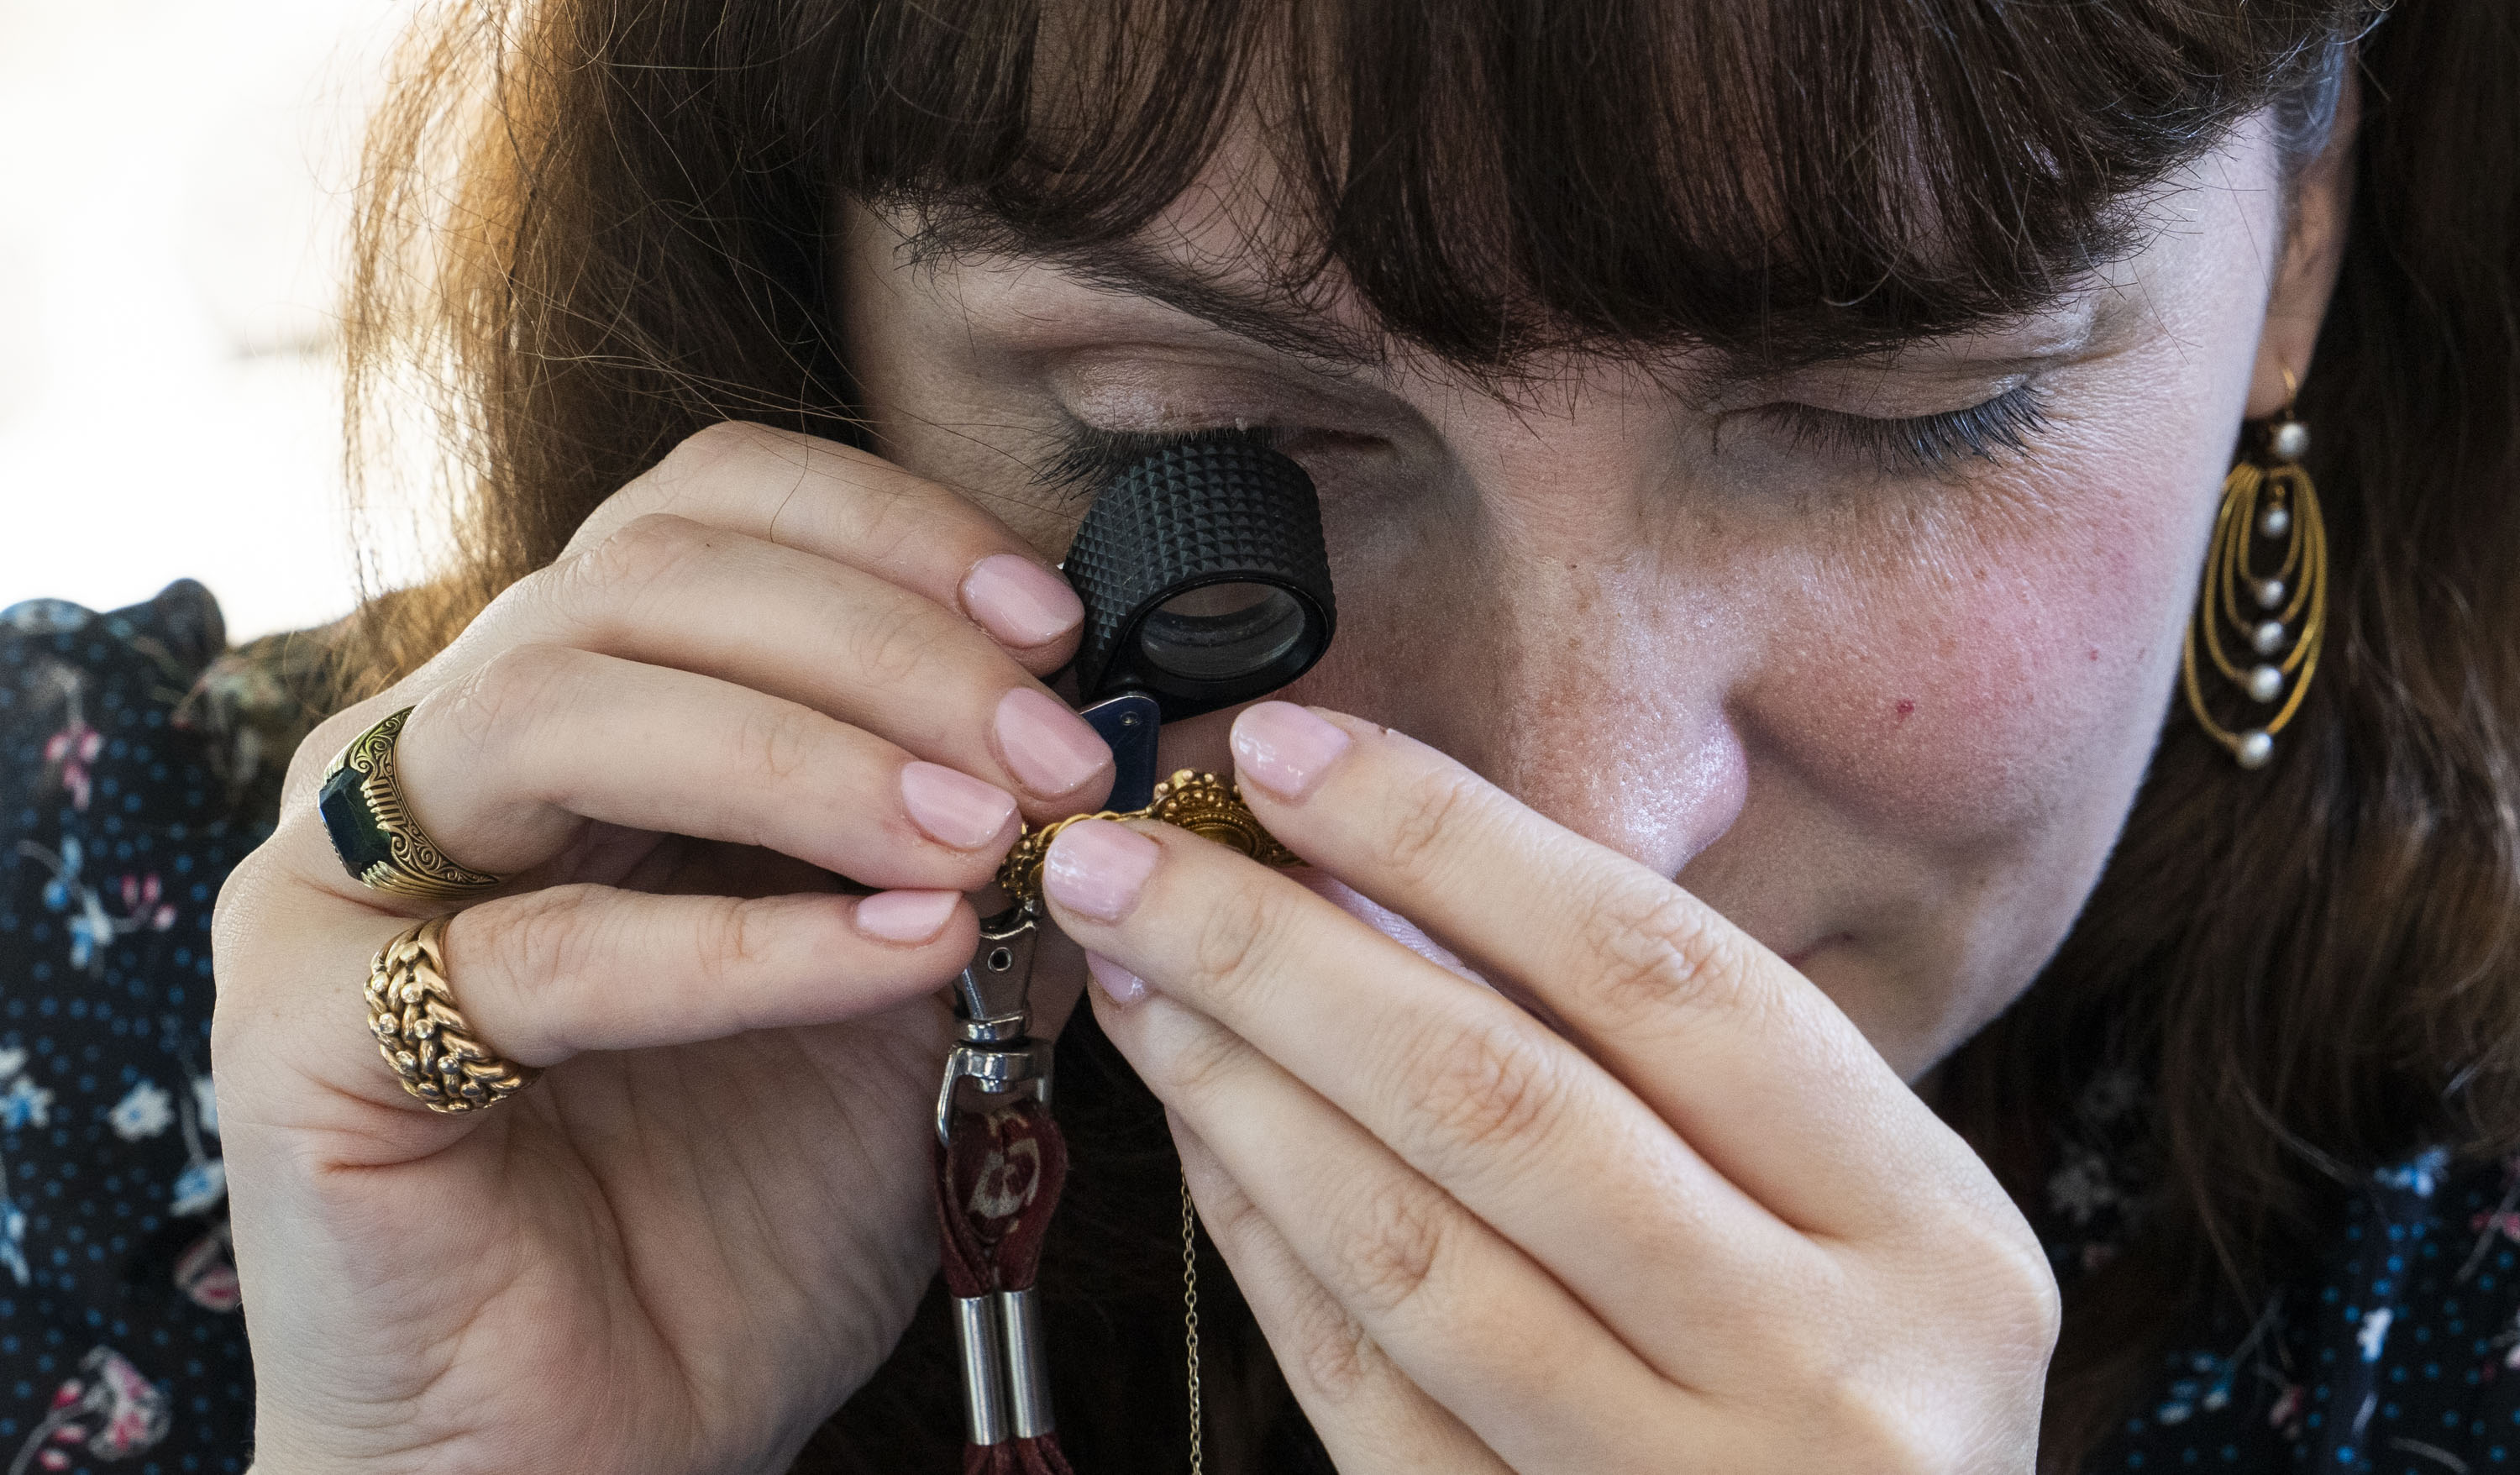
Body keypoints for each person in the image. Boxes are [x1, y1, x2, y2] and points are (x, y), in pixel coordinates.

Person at [6, 0, 2517, 1470]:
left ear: (2294, 252)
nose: (1583, 809)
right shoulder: (105, 981)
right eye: (1208, 446)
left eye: (1901, 416)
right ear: (806, 323)